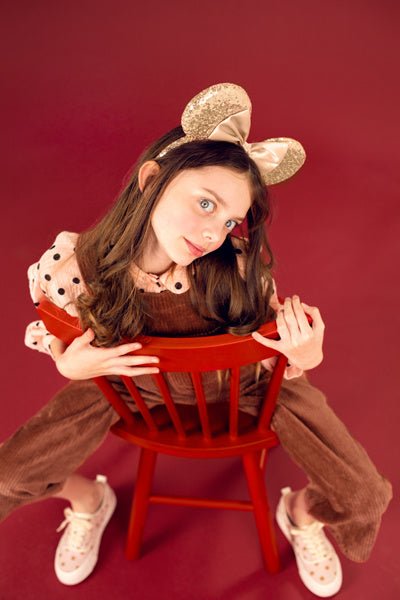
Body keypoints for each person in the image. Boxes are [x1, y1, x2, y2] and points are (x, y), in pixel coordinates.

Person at [0, 83, 392, 596]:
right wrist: (68, 364)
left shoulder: (238, 267)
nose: (213, 233)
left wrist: (304, 354)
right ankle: (88, 501)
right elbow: (60, 334)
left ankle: (299, 513)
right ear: (151, 181)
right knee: (10, 475)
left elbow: (275, 344)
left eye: (229, 220)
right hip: (132, 389)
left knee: (364, 496)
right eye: (205, 203)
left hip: (245, 389)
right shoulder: (75, 265)